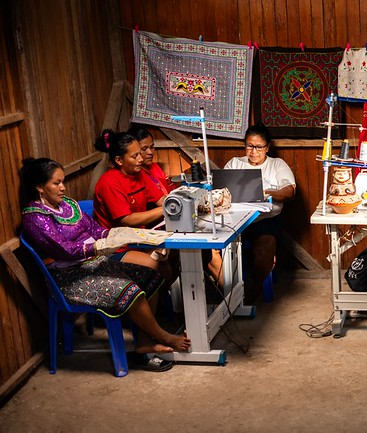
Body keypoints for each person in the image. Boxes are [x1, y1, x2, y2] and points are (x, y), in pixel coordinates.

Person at [19, 158, 190, 370]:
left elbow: (95, 230)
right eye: (56, 183)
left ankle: (145, 342)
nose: (63, 187)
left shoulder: (68, 206)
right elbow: (65, 250)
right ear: (39, 187)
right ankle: (164, 336)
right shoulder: (35, 219)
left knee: (150, 276)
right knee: (130, 290)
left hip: (93, 265)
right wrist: (99, 247)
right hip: (69, 278)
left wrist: (120, 235)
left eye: (62, 181)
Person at [129, 125, 223, 283]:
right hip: (160, 228)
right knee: (209, 250)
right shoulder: (141, 176)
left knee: (210, 248)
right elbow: (168, 202)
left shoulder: (154, 168)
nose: (150, 152)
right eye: (144, 149)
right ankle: (232, 297)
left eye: (152, 147)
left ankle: (231, 296)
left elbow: (171, 191)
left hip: (170, 223)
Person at [93, 129, 175, 284]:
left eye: (140, 153)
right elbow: (128, 219)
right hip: (116, 246)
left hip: (138, 240)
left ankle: (159, 305)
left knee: (176, 256)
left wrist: (178, 204)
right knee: (159, 268)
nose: (140, 159)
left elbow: (162, 200)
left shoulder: (139, 175)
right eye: (135, 156)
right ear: (119, 160)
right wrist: (166, 209)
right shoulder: (109, 182)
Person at [224, 124, 295, 300]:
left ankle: (253, 291)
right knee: (218, 249)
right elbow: (221, 190)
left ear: (267, 147)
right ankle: (230, 292)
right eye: (249, 146)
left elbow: (289, 192)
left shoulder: (276, 165)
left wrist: (265, 192)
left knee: (266, 244)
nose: (253, 151)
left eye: (259, 147)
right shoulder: (234, 163)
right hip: (235, 220)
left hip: (265, 220)